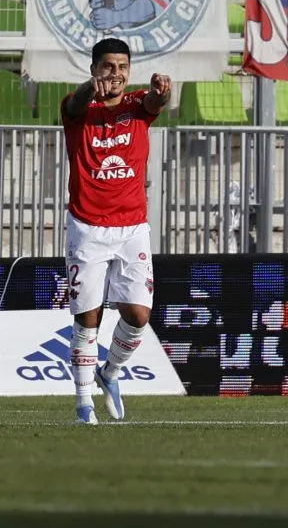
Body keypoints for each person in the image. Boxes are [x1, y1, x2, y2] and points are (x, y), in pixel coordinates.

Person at [62, 38, 171, 425]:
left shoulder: (137, 105)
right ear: (94, 69)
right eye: (109, 66)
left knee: (139, 315)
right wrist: (89, 90)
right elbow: (75, 104)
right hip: (87, 227)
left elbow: (154, 105)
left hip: (131, 228)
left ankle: (109, 374)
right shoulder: (77, 107)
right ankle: (82, 404)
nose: (117, 73)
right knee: (87, 318)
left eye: (122, 66)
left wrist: (162, 94)